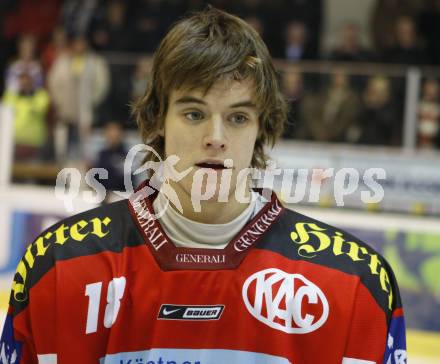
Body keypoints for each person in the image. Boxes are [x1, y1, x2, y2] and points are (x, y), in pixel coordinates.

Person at [0, 7, 406, 363]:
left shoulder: (355, 283)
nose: (216, 137)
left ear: (263, 126)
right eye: (194, 114)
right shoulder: (58, 265)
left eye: (238, 117)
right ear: (158, 118)